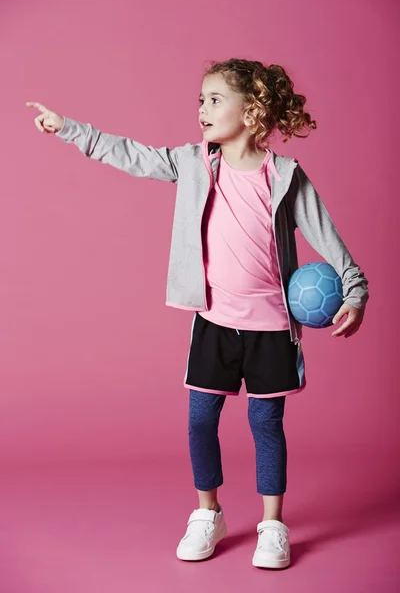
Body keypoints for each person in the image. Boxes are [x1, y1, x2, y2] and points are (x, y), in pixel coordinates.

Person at [26, 58, 369, 570]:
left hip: (272, 326)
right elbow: (132, 155)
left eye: (213, 99)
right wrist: (69, 128)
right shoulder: (193, 163)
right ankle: (208, 513)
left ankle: (272, 526)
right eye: (200, 100)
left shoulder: (285, 177)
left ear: (252, 110)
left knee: (265, 422)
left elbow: (327, 236)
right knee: (200, 419)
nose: (201, 109)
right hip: (213, 320)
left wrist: (356, 291)